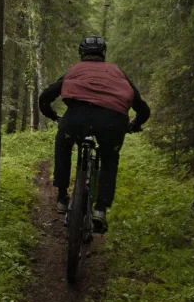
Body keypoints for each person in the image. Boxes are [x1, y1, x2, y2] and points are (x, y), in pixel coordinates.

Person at [38, 36, 150, 233]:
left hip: (76, 117)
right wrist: (134, 124)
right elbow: (143, 109)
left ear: (82, 54)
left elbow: (46, 96)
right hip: (112, 121)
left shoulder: (75, 70)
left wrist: (53, 115)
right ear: (103, 54)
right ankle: (100, 209)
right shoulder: (117, 72)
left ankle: (63, 197)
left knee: (63, 145)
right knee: (109, 159)